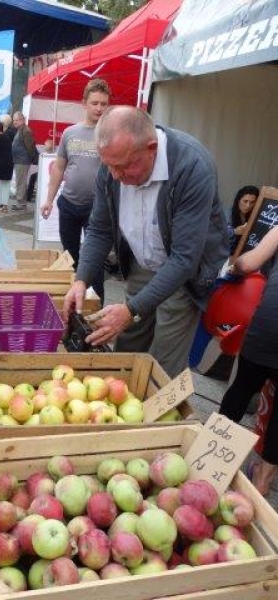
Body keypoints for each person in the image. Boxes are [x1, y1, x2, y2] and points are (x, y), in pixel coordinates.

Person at [64, 106, 229, 378]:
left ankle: (156, 413)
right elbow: (99, 230)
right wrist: (81, 279)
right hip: (142, 261)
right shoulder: (113, 165)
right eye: (109, 166)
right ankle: (119, 405)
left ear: (151, 148)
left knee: (162, 362)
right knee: (127, 343)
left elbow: (185, 258)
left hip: (184, 273)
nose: (115, 176)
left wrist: (131, 310)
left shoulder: (192, 166)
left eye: (123, 167)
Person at [219, 226, 278, 495]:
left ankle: (214, 452)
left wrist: (234, 266)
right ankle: (263, 482)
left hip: (267, 327)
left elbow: (249, 262)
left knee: (242, 388)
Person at [40, 79, 111, 302]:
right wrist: (49, 200)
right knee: (70, 256)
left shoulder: (110, 133)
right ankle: (73, 303)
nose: (99, 108)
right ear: (84, 104)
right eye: (95, 103)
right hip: (69, 204)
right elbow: (59, 168)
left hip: (97, 208)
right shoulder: (70, 133)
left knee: (95, 260)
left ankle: (96, 306)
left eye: (103, 104)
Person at [11, 111, 37, 211]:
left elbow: (30, 147)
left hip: (22, 160)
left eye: (17, 120)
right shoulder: (21, 130)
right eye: (14, 120)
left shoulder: (26, 131)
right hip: (19, 160)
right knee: (20, 181)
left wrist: (30, 159)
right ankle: (22, 203)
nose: (15, 122)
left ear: (23, 120)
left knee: (20, 182)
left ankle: (20, 204)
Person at [227, 185, 259, 254]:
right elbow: (215, 234)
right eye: (245, 201)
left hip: (244, 254)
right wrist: (234, 231)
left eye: (252, 202)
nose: (248, 205)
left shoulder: (255, 216)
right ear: (238, 200)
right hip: (226, 256)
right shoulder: (227, 214)